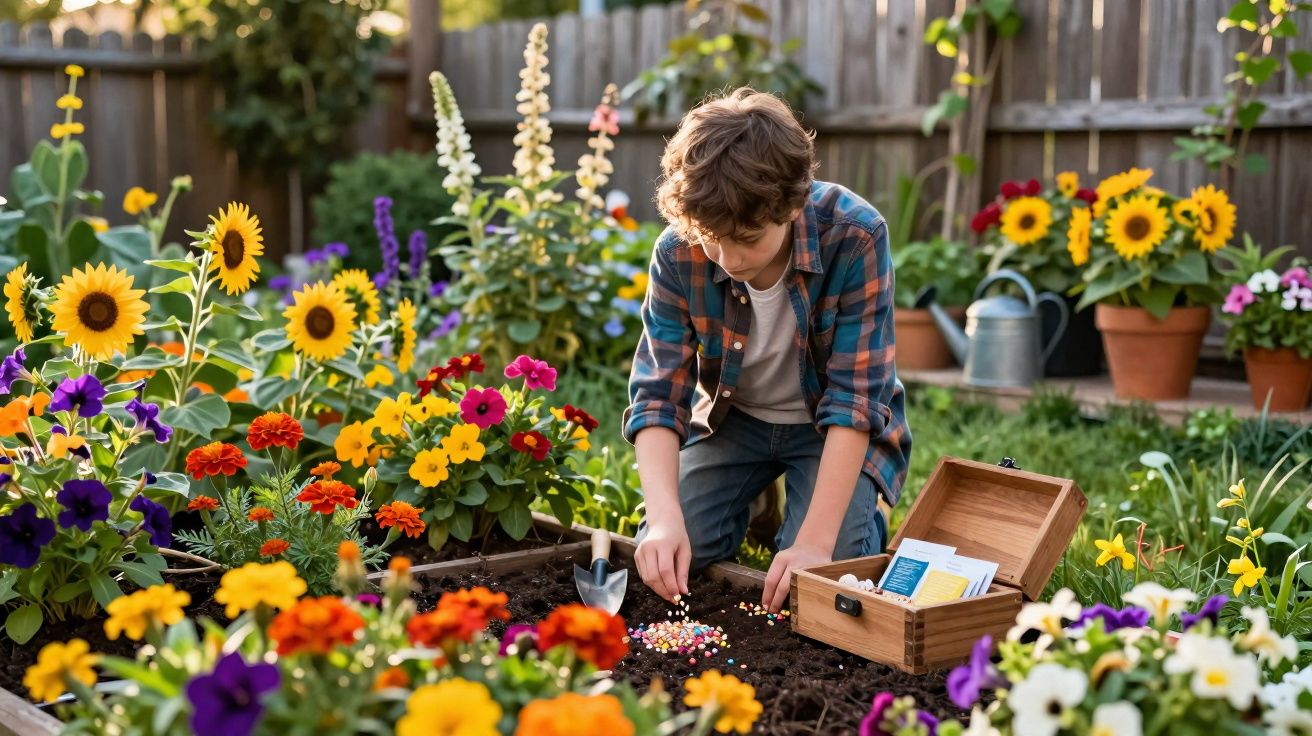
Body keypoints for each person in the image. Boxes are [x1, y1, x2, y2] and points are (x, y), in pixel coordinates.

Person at [623, 87, 912, 613]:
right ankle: (756, 494)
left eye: (749, 239)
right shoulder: (678, 251)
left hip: (828, 430)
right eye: (713, 237)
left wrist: (816, 545)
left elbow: (854, 402)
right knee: (676, 552)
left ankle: (860, 507)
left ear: (792, 206)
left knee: (826, 575)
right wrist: (663, 520)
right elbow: (657, 395)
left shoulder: (856, 236)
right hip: (735, 421)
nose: (729, 259)